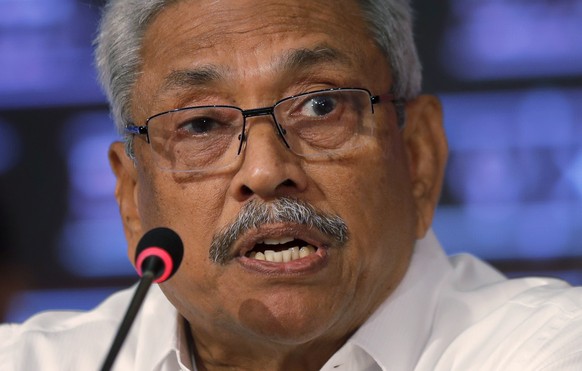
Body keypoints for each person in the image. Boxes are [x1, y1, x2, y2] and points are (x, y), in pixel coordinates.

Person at [1, 0, 582, 370]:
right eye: (201, 123)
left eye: (321, 105)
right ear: (131, 200)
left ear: (419, 156)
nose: (264, 171)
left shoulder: (547, 351)